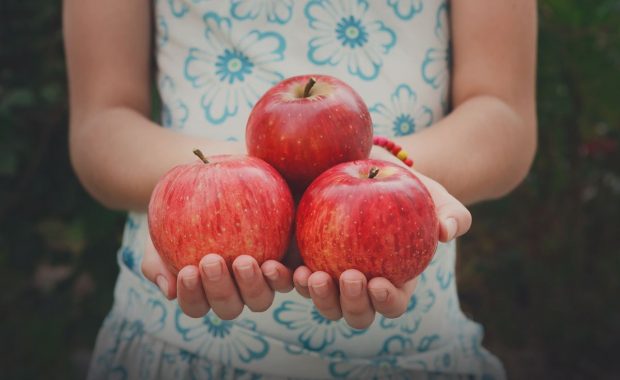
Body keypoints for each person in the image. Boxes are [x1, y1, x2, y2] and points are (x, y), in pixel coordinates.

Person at [63, 0, 537, 378]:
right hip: (175, 340)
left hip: (409, 346)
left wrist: (380, 175)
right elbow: (100, 129)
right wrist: (233, 181)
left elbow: (503, 118)